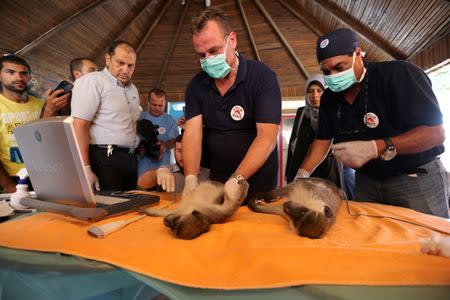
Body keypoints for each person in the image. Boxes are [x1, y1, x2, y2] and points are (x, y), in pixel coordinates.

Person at [297, 28, 448, 218]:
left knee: (427, 242)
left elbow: (435, 134)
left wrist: (377, 147)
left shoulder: (398, 75)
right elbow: (322, 141)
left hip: (415, 180)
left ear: (358, 54)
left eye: (339, 67)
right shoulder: (329, 98)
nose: (333, 76)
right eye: (326, 71)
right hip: (367, 183)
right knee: (372, 241)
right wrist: (302, 175)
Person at [182, 8, 281, 202]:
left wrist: (238, 178)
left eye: (214, 50)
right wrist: (191, 177)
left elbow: (267, 138)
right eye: (202, 55)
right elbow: (192, 133)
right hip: (217, 185)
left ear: (232, 40)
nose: (209, 60)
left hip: (259, 187)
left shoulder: (262, 77)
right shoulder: (196, 86)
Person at [71, 40, 141, 191]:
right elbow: (80, 126)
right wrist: (85, 168)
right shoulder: (92, 81)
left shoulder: (133, 89)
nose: (125, 69)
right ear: (108, 59)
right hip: (103, 158)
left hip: (130, 158)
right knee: (110, 210)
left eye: (130, 65)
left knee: (130, 210)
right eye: (120, 63)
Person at [0, 54, 69, 192]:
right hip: (14, 179)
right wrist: (8, 185)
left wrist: (56, 109)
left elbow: (50, 140)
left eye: (24, 73)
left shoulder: (43, 104)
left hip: (48, 174)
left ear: (29, 77)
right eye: (10, 72)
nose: (19, 77)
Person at [285, 74, 355, 198]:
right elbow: (293, 141)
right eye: (310, 91)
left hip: (328, 168)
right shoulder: (301, 112)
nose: (315, 95)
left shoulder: (335, 111)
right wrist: (289, 173)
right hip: (302, 166)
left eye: (319, 91)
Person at [138, 134, 209, 192]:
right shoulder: (166, 170)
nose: (184, 155)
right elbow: (142, 183)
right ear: (174, 151)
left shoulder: (208, 174)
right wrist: (157, 173)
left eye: (188, 151)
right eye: (179, 151)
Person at [138, 88, 178, 176]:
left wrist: (164, 145)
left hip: (163, 171)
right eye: (154, 105)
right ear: (148, 102)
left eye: (160, 105)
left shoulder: (170, 121)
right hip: (142, 170)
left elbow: (175, 141)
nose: (157, 108)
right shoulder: (139, 118)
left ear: (164, 104)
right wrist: (140, 147)